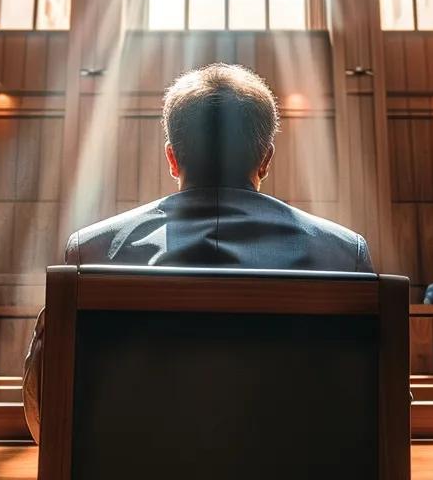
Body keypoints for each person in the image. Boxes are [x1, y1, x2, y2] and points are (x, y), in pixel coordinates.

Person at [23, 63, 373, 441]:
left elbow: (48, 414)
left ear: (172, 158)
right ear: (266, 160)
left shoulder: (91, 251)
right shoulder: (342, 253)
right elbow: (379, 410)